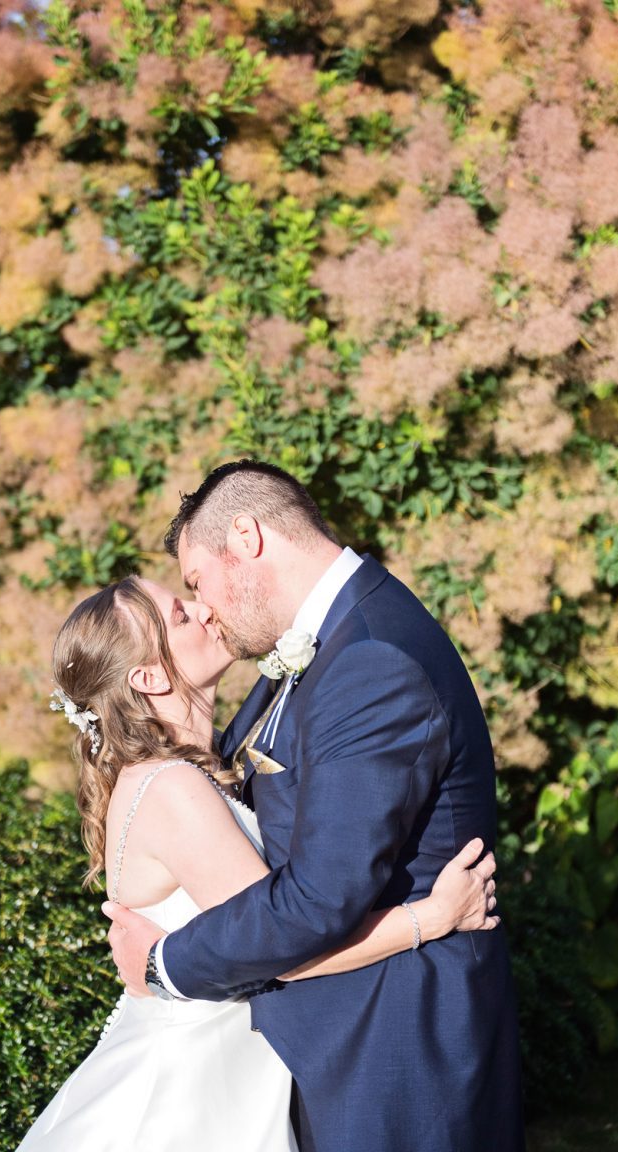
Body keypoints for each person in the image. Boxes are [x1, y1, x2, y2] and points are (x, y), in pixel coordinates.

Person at [106, 460, 525, 1152]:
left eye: (196, 581)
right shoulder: (321, 646)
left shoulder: (368, 658)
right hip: (335, 1038)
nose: (203, 607)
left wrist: (167, 964)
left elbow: (320, 898)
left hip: (396, 1043)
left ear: (246, 536)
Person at [15, 575, 499, 1151]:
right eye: (179, 614)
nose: (203, 608)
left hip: (233, 1066)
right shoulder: (171, 787)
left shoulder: (202, 762)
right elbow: (283, 948)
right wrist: (434, 916)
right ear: (148, 676)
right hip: (193, 1091)